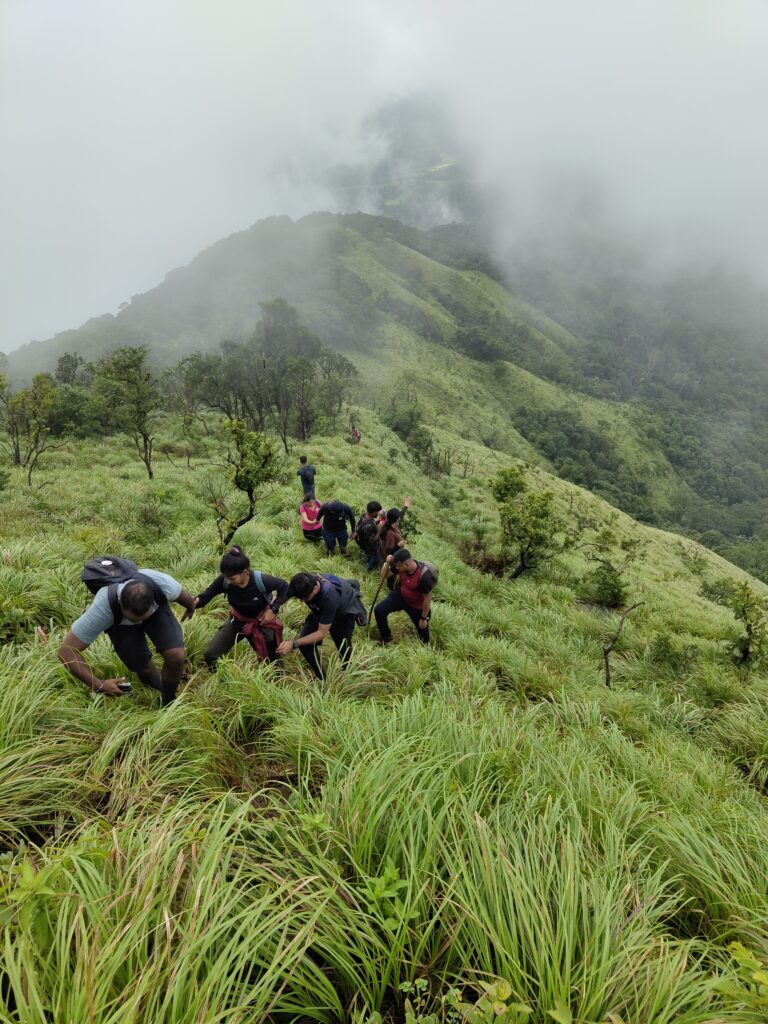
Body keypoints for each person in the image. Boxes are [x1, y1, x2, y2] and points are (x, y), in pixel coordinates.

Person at [57, 568, 196, 704]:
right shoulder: (103, 608)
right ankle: (159, 690)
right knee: (144, 669)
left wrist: (190, 608)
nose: (139, 623)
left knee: (176, 656)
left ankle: (169, 698)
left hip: (155, 612)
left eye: (142, 619)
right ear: (121, 605)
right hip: (120, 624)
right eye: (134, 619)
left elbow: (185, 597)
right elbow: (66, 651)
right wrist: (98, 685)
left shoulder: (162, 583)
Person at [191, 546, 289, 669]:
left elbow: (285, 587)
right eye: (226, 577)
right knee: (211, 655)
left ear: (245, 573)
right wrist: (193, 603)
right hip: (237, 620)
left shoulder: (262, 581)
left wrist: (273, 609)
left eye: (232, 578)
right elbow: (207, 594)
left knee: (273, 663)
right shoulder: (225, 580)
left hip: (261, 622)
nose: (228, 581)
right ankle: (225, 681)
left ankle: (276, 682)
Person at [277, 572, 362, 678]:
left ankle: (347, 672)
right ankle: (322, 677)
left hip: (343, 615)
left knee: (343, 646)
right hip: (319, 611)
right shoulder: (303, 583)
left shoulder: (329, 599)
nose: (302, 601)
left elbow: (321, 633)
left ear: (315, 589)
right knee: (304, 644)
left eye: (305, 599)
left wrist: (293, 644)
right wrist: (273, 608)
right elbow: (288, 593)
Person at [374, 549, 436, 645]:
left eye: (399, 566)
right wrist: (387, 562)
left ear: (407, 564)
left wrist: (423, 619)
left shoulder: (424, 577)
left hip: (417, 606)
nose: (397, 568)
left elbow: (427, 599)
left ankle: (425, 648)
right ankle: (386, 637)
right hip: (402, 596)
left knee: (423, 630)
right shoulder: (401, 566)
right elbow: (384, 575)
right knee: (379, 610)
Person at [378, 498, 412, 585]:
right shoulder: (390, 534)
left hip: (395, 555)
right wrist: (398, 545)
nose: (400, 518)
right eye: (399, 518)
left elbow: (400, 515)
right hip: (392, 559)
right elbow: (390, 552)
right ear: (397, 520)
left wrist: (405, 507)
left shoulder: (391, 523)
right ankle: (391, 585)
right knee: (391, 575)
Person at [354, 500, 383, 571]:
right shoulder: (368, 526)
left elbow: (370, 524)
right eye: (377, 512)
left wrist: (377, 521)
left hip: (362, 540)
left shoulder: (364, 515)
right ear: (373, 512)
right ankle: (368, 569)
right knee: (371, 557)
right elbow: (372, 541)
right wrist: (380, 530)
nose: (379, 513)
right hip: (369, 547)